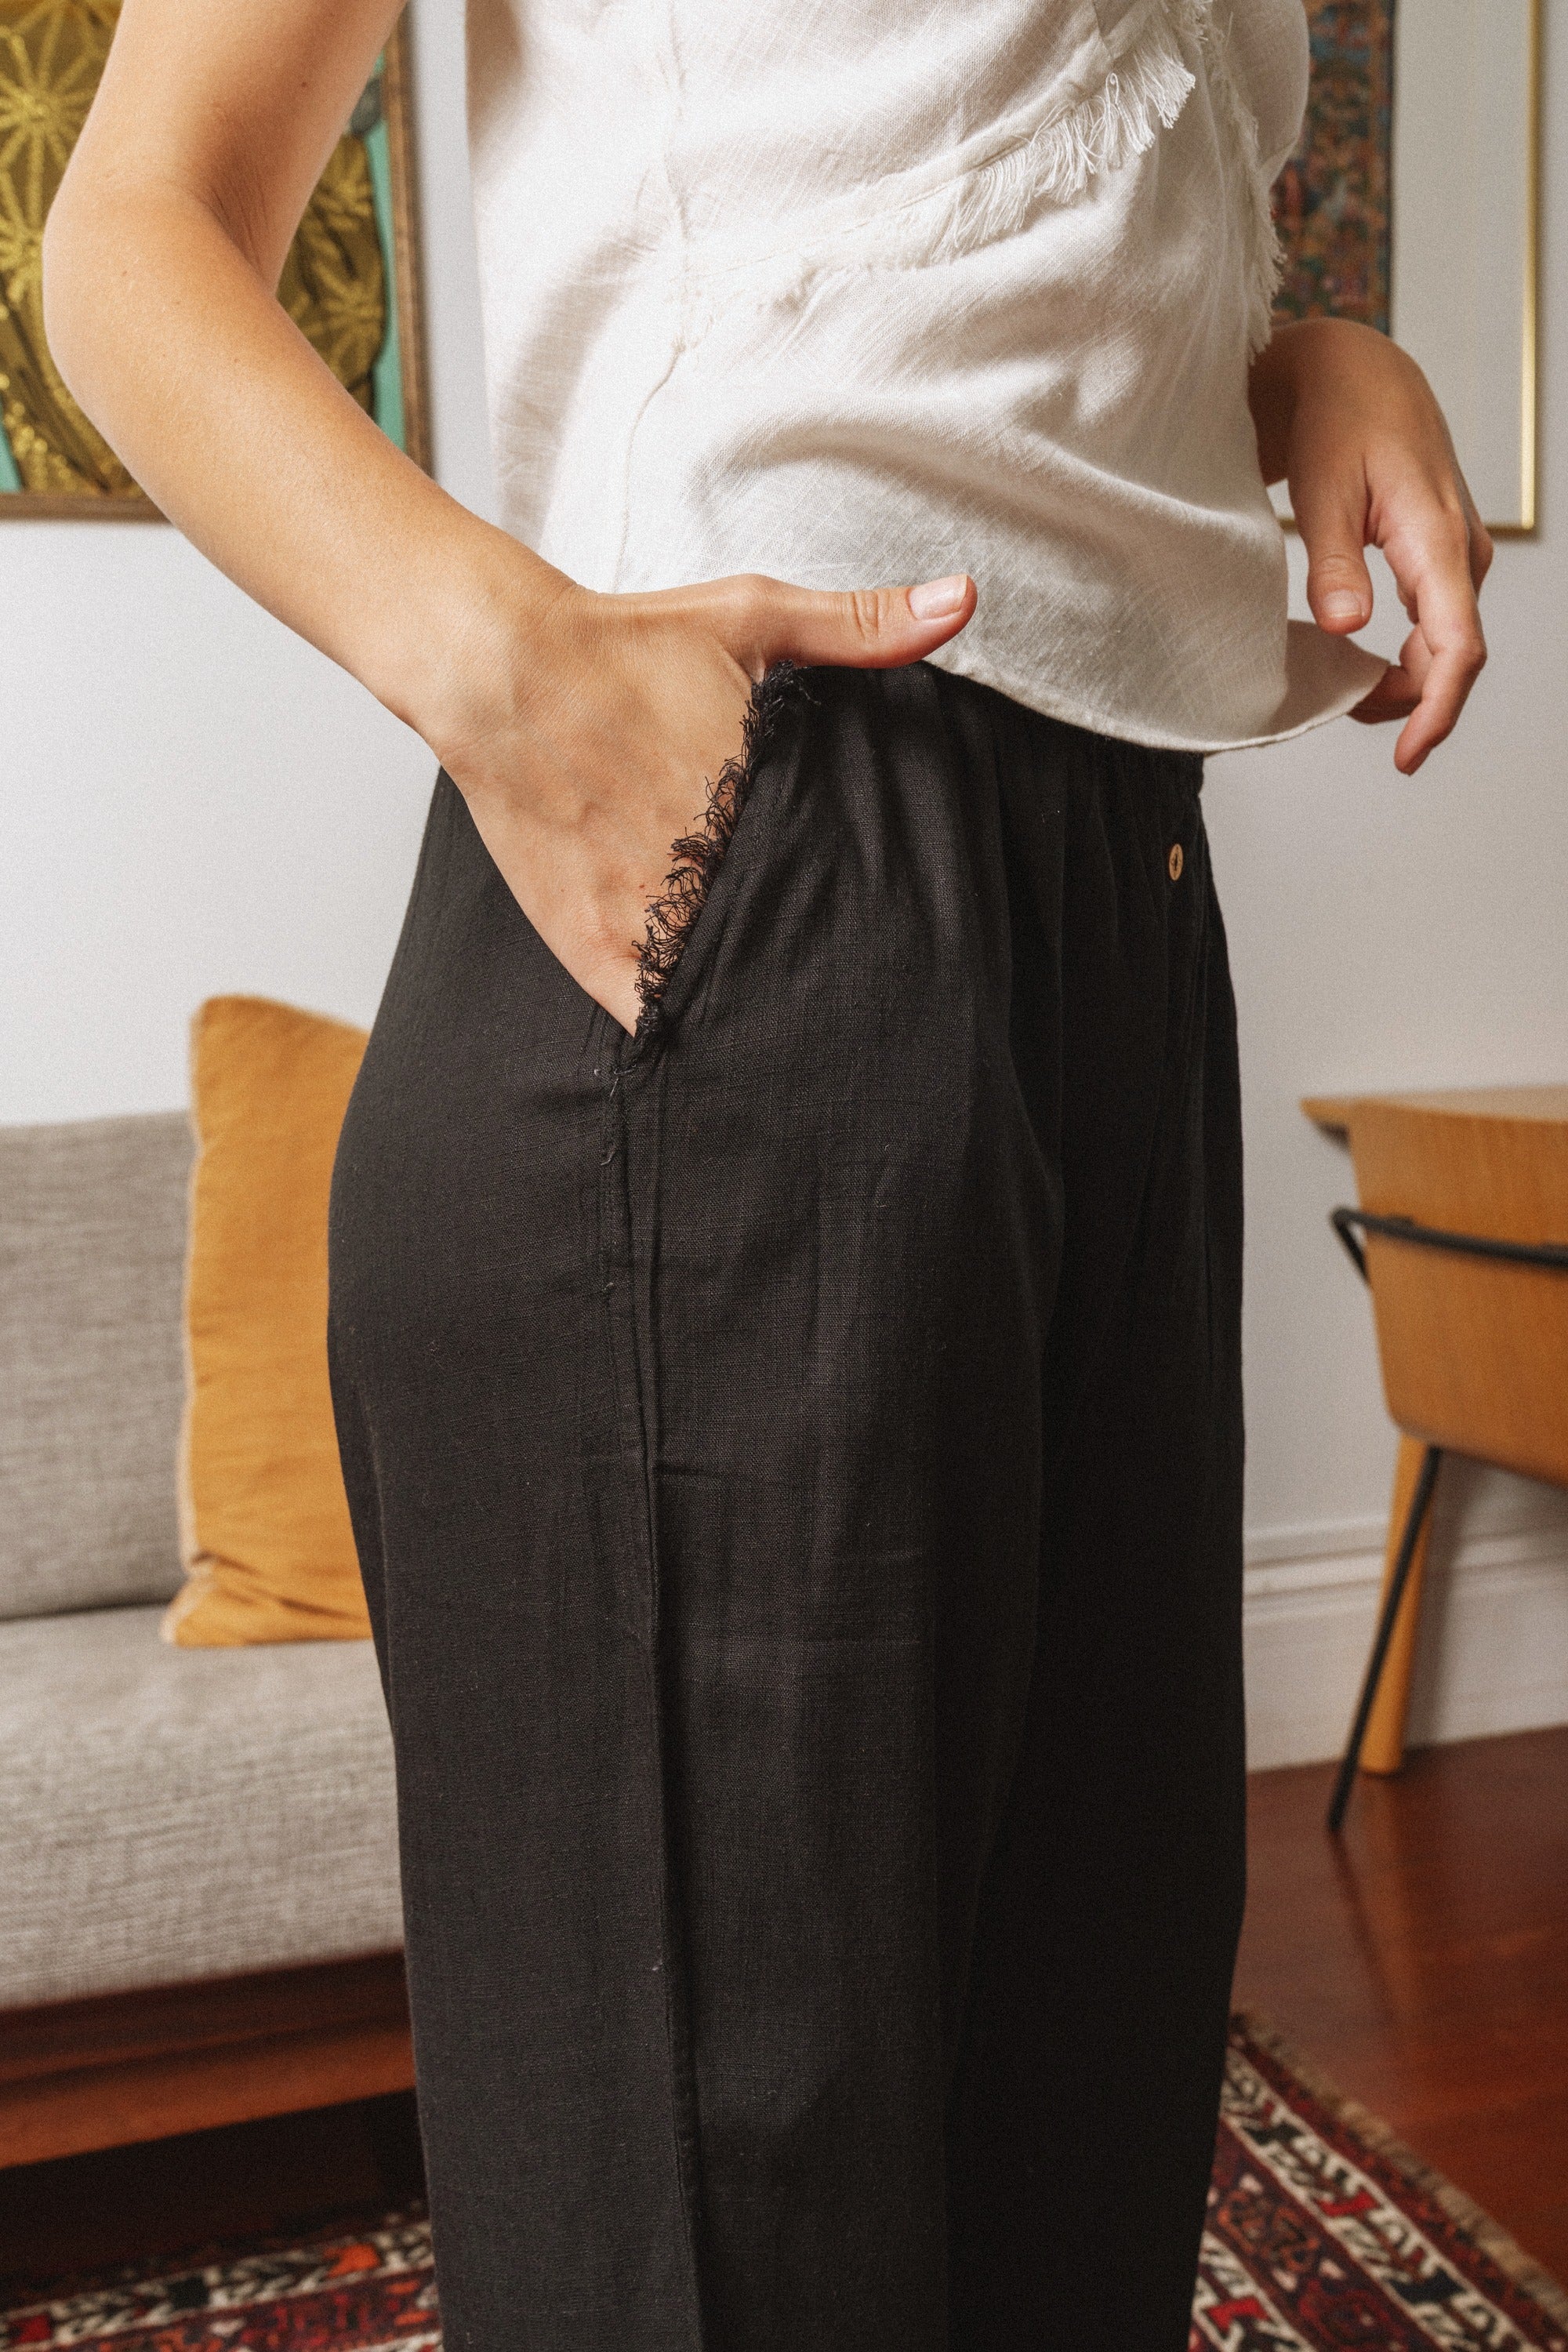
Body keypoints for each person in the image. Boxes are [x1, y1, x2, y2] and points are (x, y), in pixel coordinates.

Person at [44, 1, 1490, 2345]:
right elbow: (133, 229)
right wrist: (508, 668)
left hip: (1123, 899)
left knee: (1081, 2135)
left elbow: (944, 235)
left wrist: (1295, 360)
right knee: (721, 2251)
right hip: (753, 862)